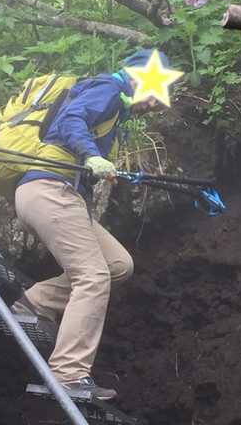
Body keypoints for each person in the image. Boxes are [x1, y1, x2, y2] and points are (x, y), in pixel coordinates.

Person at [10, 49, 178, 402]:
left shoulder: (114, 112)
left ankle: (35, 302)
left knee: (118, 265)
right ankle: (69, 374)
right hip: (50, 190)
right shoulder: (108, 89)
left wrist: (97, 162)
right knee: (93, 276)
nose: (154, 105)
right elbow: (72, 118)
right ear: (141, 78)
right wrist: (92, 155)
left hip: (60, 195)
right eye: (155, 94)